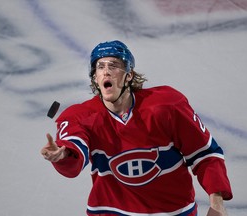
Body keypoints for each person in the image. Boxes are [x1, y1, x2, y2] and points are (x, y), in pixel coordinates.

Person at [41, 40, 233, 216]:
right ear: (95, 78)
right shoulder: (80, 117)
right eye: (100, 67)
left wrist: (217, 203)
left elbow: (205, 154)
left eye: (114, 65)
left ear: (129, 76)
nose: (106, 71)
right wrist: (63, 155)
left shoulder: (168, 105)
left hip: (173, 211)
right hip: (111, 211)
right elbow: (74, 154)